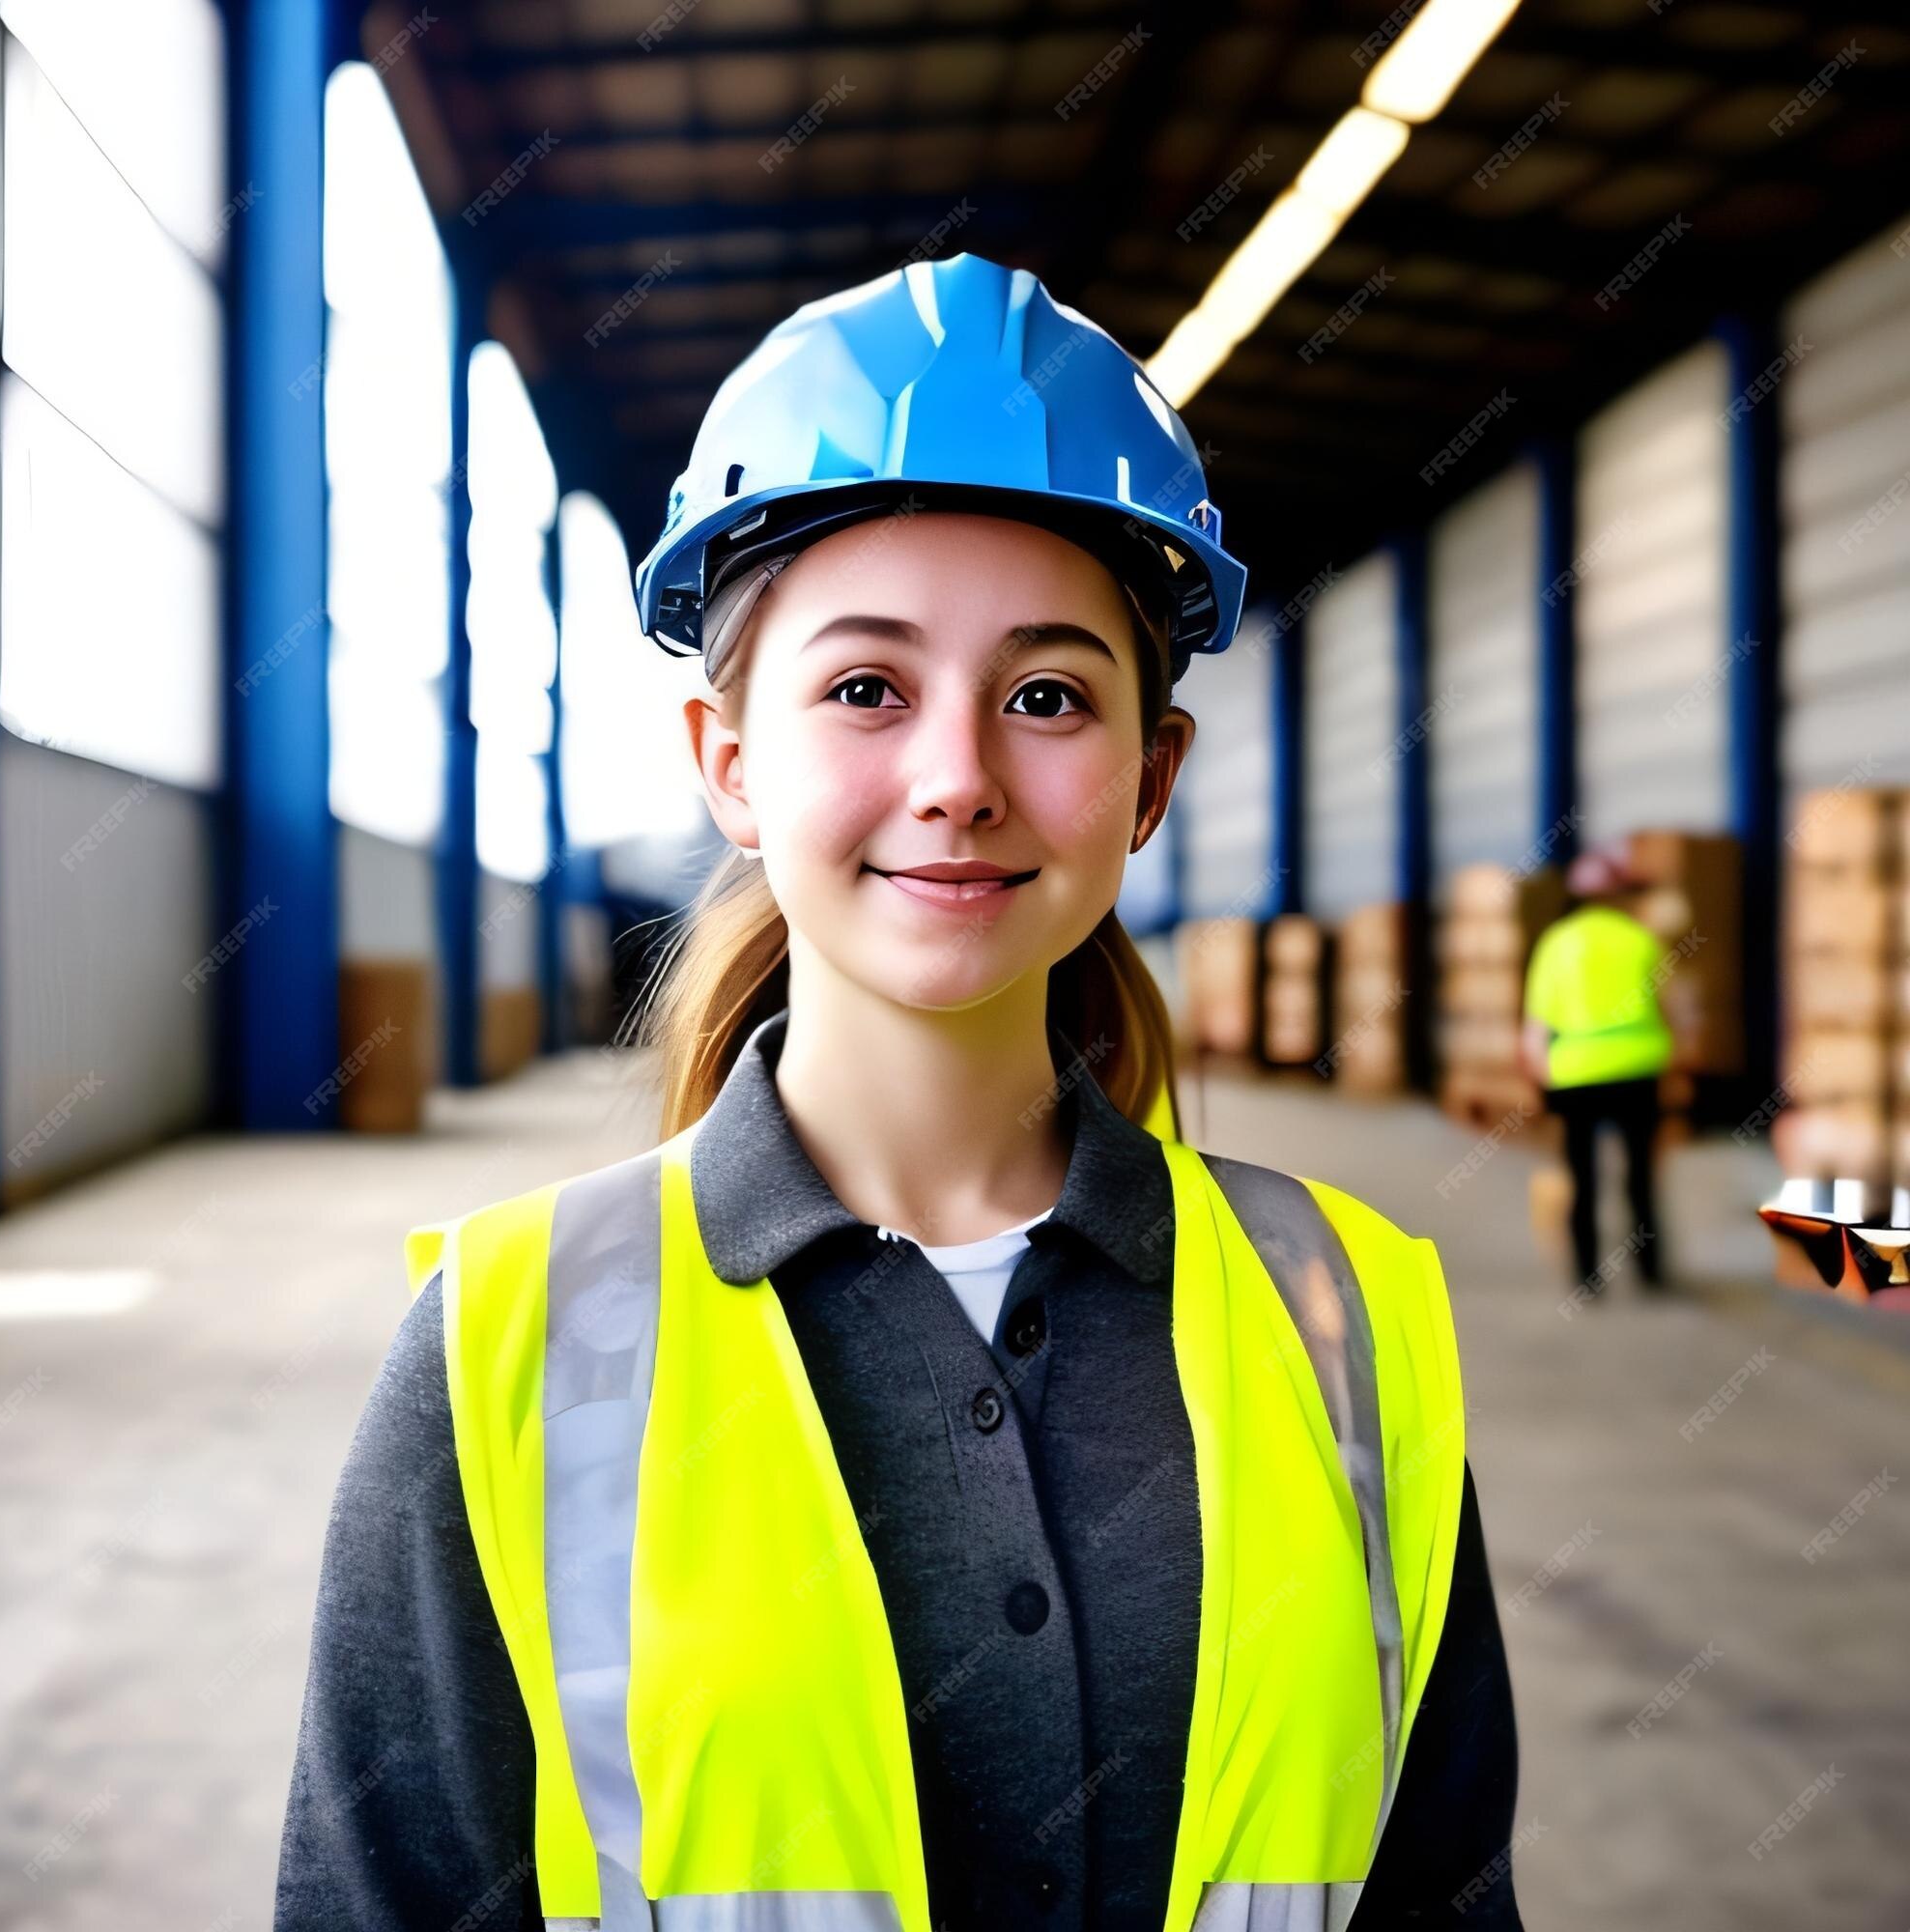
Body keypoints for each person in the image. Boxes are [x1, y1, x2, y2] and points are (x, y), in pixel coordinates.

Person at [274, 252, 1522, 1931]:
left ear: (1151, 775)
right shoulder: (503, 1346)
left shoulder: (1349, 1323)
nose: (958, 779)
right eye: (866, 688)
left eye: (1050, 696)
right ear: (730, 761)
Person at [1521, 848, 1673, 1295]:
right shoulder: (1641, 939)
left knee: (1582, 1176)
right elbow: (1673, 1009)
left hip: (1576, 1073)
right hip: (1637, 1069)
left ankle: (1587, 1276)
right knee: (1640, 1175)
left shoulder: (1556, 943)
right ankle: (1651, 1273)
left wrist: (1540, 1078)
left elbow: (1536, 1027)